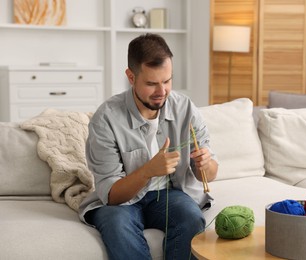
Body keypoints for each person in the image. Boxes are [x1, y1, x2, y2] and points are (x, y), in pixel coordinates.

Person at [78, 33, 218, 260]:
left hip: (170, 194)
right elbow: (112, 196)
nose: (162, 91)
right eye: (152, 83)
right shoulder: (106, 118)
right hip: (122, 201)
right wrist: (149, 170)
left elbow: (209, 175)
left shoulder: (185, 109)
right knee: (117, 225)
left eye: (167, 81)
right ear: (131, 77)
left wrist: (206, 163)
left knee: (191, 218)